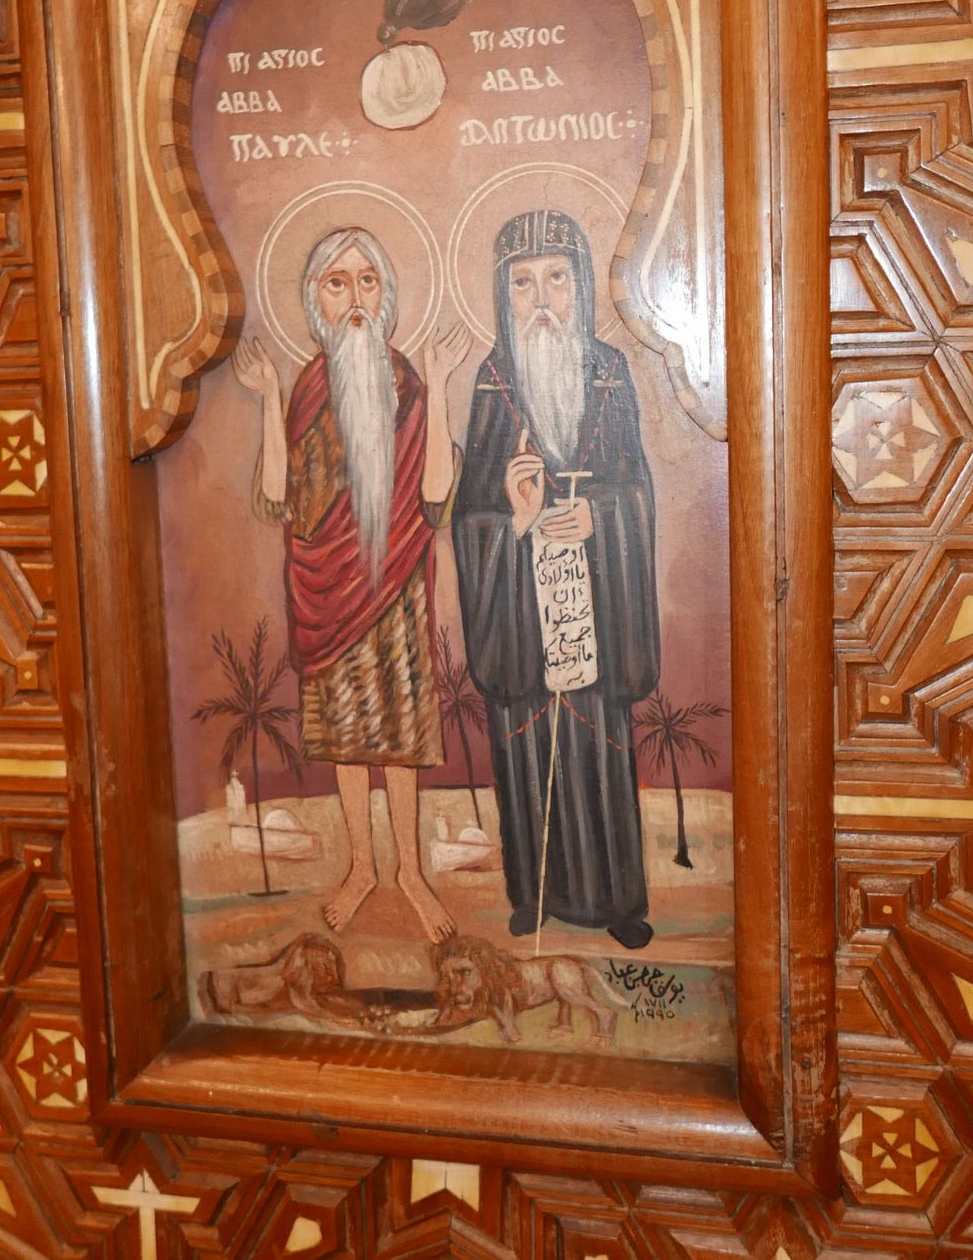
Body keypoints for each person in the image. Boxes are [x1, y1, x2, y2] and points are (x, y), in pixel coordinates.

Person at [233, 227, 470, 943]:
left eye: (368, 280)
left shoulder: (408, 383)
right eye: (338, 282)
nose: (355, 297)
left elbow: (436, 499)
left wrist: (441, 385)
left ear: (386, 295)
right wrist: (268, 399)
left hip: (395, 588)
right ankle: (362, 867)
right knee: (345, 738)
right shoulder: (309, 387)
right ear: (316, 300)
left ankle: (411, 873)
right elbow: (277, 501)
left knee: (397, 740)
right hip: (326, 594)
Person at [453, 209, 659, 951]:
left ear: (581, 285)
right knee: (526, 747)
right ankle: (534, 893)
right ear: (502, 292)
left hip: (595, 603)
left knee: (601, 745)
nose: (541, 300)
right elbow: (469, 513)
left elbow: (638, 488)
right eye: (523, 283)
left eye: (556, 279)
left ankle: (617, 901)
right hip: (521, 611)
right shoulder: (493, 381)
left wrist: (598, 516)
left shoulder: (609, 371)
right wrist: (513, 519)